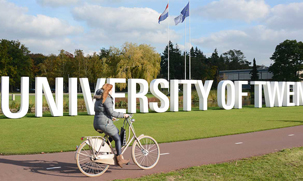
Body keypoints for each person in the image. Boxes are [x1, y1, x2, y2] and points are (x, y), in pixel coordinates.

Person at [93, 83, 130, 168]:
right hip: (104, 123)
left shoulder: (99, 97)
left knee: (115, 131)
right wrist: (123, 115)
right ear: (109, 90)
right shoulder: (107, 98)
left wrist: (110, 117)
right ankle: (120, 159)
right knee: (117, 138)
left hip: (97, 122)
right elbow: (111, 112)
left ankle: (105, 150)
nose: (112, 91)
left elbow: (101, 111)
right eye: (112, 89)